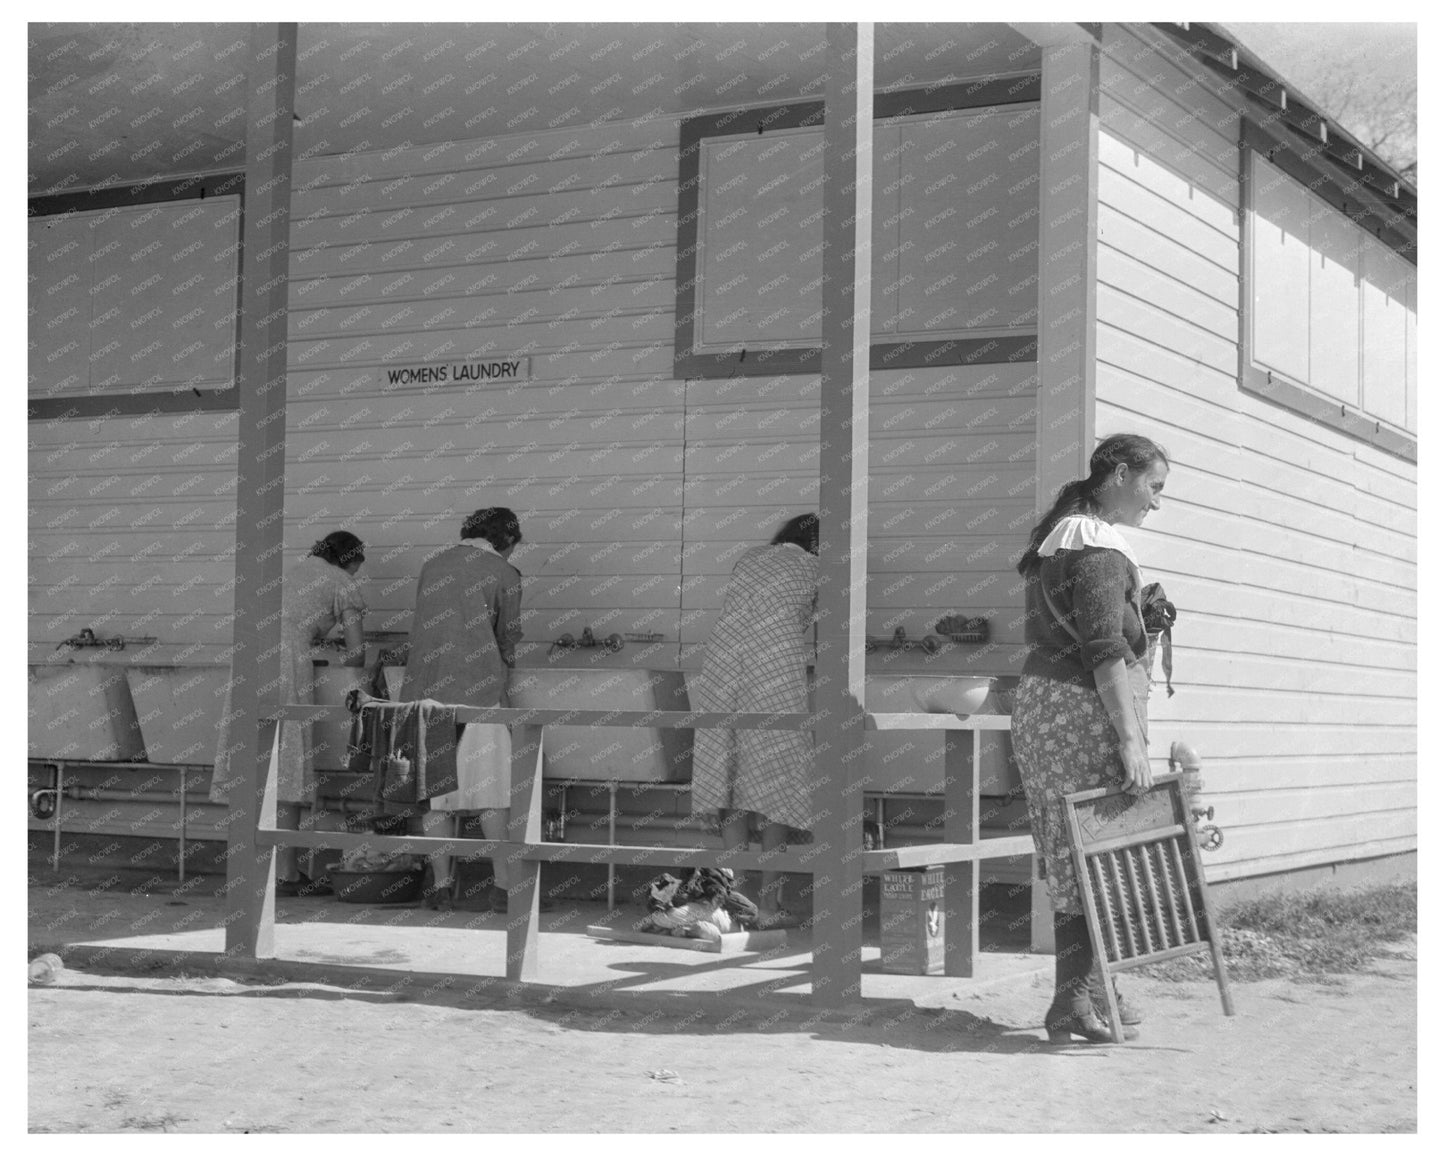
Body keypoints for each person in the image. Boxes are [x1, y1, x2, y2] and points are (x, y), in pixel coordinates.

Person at [1010, 433, 1170, 1043]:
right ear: (1121, 475)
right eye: (1153, 487)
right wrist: (1131, 739)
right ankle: (1072, 996)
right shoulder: (1099, 551)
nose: (1155, 503)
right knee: (1093, 846)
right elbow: (1103, 651)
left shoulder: (1062, 542)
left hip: (1048, 707)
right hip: (1081, 711)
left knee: (1076, 846)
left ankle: (1092, 986)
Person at [210, 530, 368, 897]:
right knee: (290, 765)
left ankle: (247, 870)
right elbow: (357, 652)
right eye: (358, 568)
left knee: (251, 761)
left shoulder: (289, 572)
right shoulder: (342, 582)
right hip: (286, 664)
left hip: (248, 658)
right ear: (350, 560)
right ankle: (286, 874)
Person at [689, 513, 819, 930]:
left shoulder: (749, 558)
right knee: (776, 783)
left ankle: (731, 902)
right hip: (775, 670)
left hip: (722, 664)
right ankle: (766, 905)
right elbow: (832, 628)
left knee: (729, 778)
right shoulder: (818, 567)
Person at [400, 507, 524, 913]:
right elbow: (507, 635)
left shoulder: (432, 565)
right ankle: (504, 888)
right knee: (491, 792)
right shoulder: (505, 573)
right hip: (479, 689)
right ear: (506, 541)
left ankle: (440, 886)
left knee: (436, 796)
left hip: (424, 689)